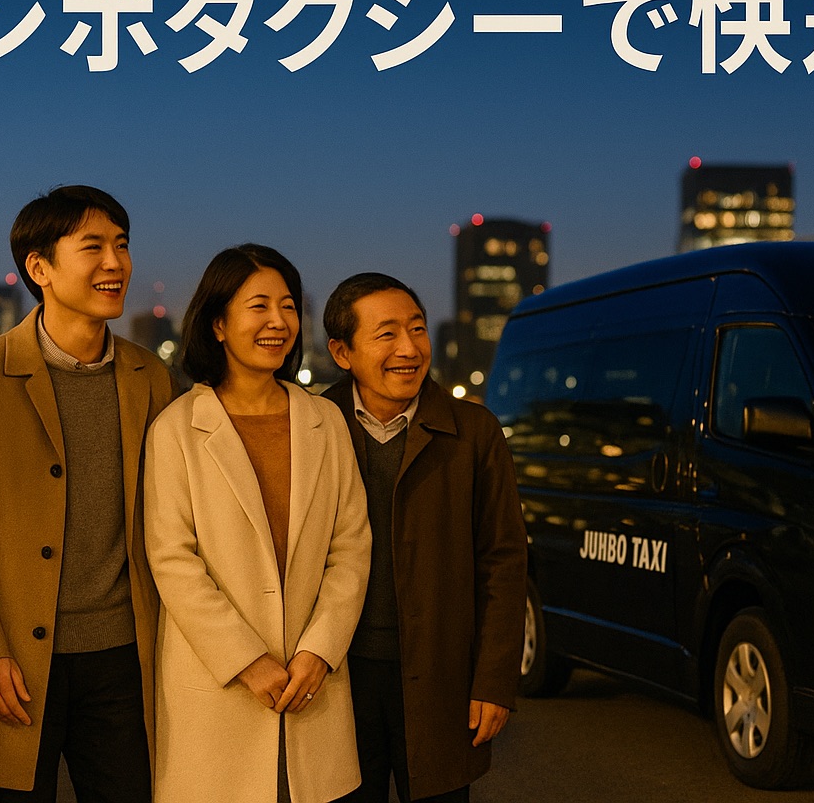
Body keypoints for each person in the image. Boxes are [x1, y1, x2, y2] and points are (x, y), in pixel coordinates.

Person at [0, 186, 175, 801]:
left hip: (124, 657)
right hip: (15, 660)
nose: (115, 264)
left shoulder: (151, 377)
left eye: (122, 246)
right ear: (38, 268)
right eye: (93, 247)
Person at [144, 244, 370, 803]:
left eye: (289, 306)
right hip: (219, 687)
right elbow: (172, 560)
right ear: (218, 324)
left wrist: (320, 649)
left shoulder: (325, 419)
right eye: (258, 306)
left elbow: (351, 546)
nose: (278, 322)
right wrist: (247, 661)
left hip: (314, 679)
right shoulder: (176, 428)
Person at [322, 273, 528, 803]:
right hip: (337, 676)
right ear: (342, 353)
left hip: (440, 673)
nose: (409, 349)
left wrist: (493, 680)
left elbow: (503, 562)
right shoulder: (315, 426)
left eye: (417, 329)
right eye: (386, 334)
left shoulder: (474, 431)